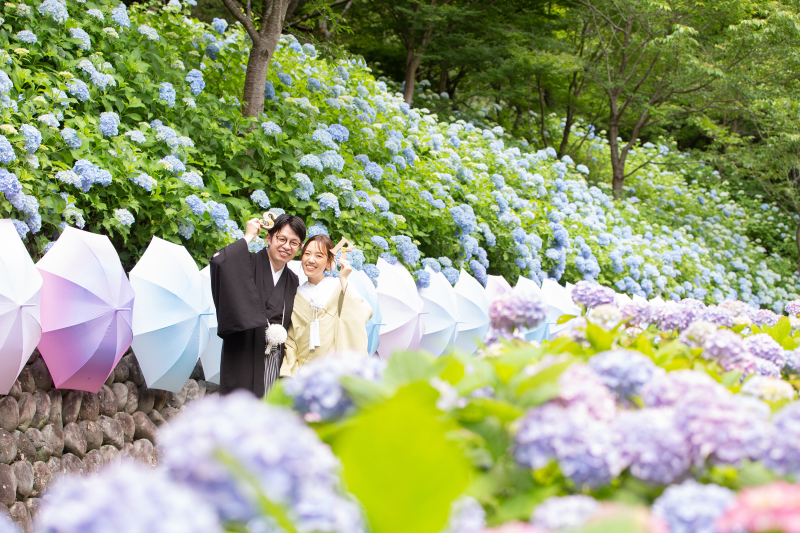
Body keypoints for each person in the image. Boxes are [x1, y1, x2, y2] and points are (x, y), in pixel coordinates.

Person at [209, 213, 306, 396]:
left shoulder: (293, 280)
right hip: (242, 354)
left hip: (274, 361)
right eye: (281, 239)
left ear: (299, 247)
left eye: (294, 243)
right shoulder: (247, 263)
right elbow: (220, 262)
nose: (286, 246)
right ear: (268, 237)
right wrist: (248, 237)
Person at [280, 235, 372, 376]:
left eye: (318, 255)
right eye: (307, 254)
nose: (311, 260)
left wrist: (343, 279)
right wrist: (290, 371)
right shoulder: (294, 294)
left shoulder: (340, 287)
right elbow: (290, 339)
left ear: (328, 263)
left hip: (334, 370)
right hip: (303, 372)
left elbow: (359, 315)